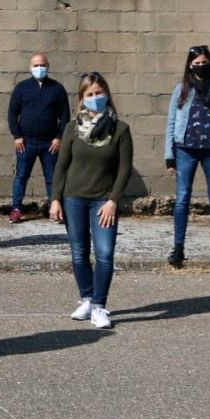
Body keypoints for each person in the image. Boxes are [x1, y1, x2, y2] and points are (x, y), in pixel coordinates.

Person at [50, 72, 134, 330]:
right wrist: (55, 199)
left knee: (105, 254)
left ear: (106, 94)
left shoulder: (120, 129)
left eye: (99, 93)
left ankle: (99, 306)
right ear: (81, 99)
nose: (95, 98)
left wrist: (113, 200)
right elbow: (61, 167)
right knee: (79, 253)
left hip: (103, 201)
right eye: (90, 94)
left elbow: (124, 169)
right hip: (74, 198)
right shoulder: (72, 128)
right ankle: (86, 298)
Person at [165, 44, 210, 270]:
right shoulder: (182, 89)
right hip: (185, 149)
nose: (200, 67)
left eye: (204, 63)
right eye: (196, 63)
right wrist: (170, 155)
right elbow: (171, 122)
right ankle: (178, 247)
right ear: (189, 64)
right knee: (182, 199)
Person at [7, 52, 69, 224]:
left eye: (42, 65)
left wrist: (59, 138)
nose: (39, 68)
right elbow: (12, 113)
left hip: (49, 144)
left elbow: (65, 116)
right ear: (30, 67)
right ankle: (16, 209)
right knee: (21, 176)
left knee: (52, 177)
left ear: (48, 67)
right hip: (25, 143)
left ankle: (55, 209)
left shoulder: (57, 88)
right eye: (36, 65)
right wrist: (17, 136)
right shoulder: (22, 88)